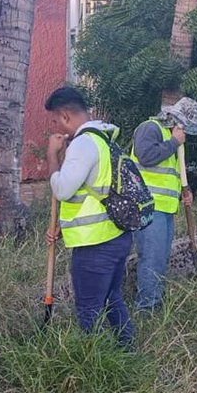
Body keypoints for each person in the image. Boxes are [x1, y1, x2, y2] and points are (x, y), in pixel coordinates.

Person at [44, 86, 135, 344]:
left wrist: (52, 155)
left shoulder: (84, 143)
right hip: (116, 236)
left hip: (95, 244)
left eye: (55, 121)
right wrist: (64, 224)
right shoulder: (104, 138)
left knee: (88, 310)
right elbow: (91, 192)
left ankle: (93, 365)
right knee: (111, 297)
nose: (57, 128)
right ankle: (127, 351)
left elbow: (62, 189)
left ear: (64, 115)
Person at [130, 98, 197, 311]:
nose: (187, 133)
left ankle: (155, 303)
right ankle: (147, 309)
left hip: (164, 209)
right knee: (152, 259)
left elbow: (170, 174)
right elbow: (145, 157)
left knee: (160, 258)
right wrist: (173, 142)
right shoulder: (151, 128)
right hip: (148, 207)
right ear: (178, 120)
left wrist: (184, 191)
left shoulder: (173, 139)